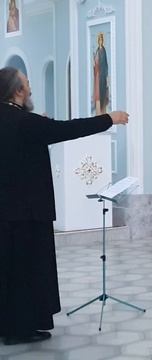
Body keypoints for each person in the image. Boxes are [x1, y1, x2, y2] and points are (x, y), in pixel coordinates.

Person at [0, 67, 129, 345]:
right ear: (18, 90)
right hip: (27, 213)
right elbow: (68, 129)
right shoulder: (25, 122)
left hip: (7, 211)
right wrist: (110, 118)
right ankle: (19, 329)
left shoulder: (17, 120)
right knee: (24, 271)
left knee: (7, 270)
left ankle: (7, 324)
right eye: (27, 82)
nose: (30, 86)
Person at [93, 33, 109, 115]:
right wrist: (94, 63)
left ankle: (103, 109)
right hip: (97, 75)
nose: (100, 41)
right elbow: (96, 62)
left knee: (102, 90)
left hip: (102, 74)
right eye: (99, 40)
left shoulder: (103, 50)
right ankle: (97, 109)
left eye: (101, 40)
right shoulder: (97, 51)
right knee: (97, 91)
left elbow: (105, 63)